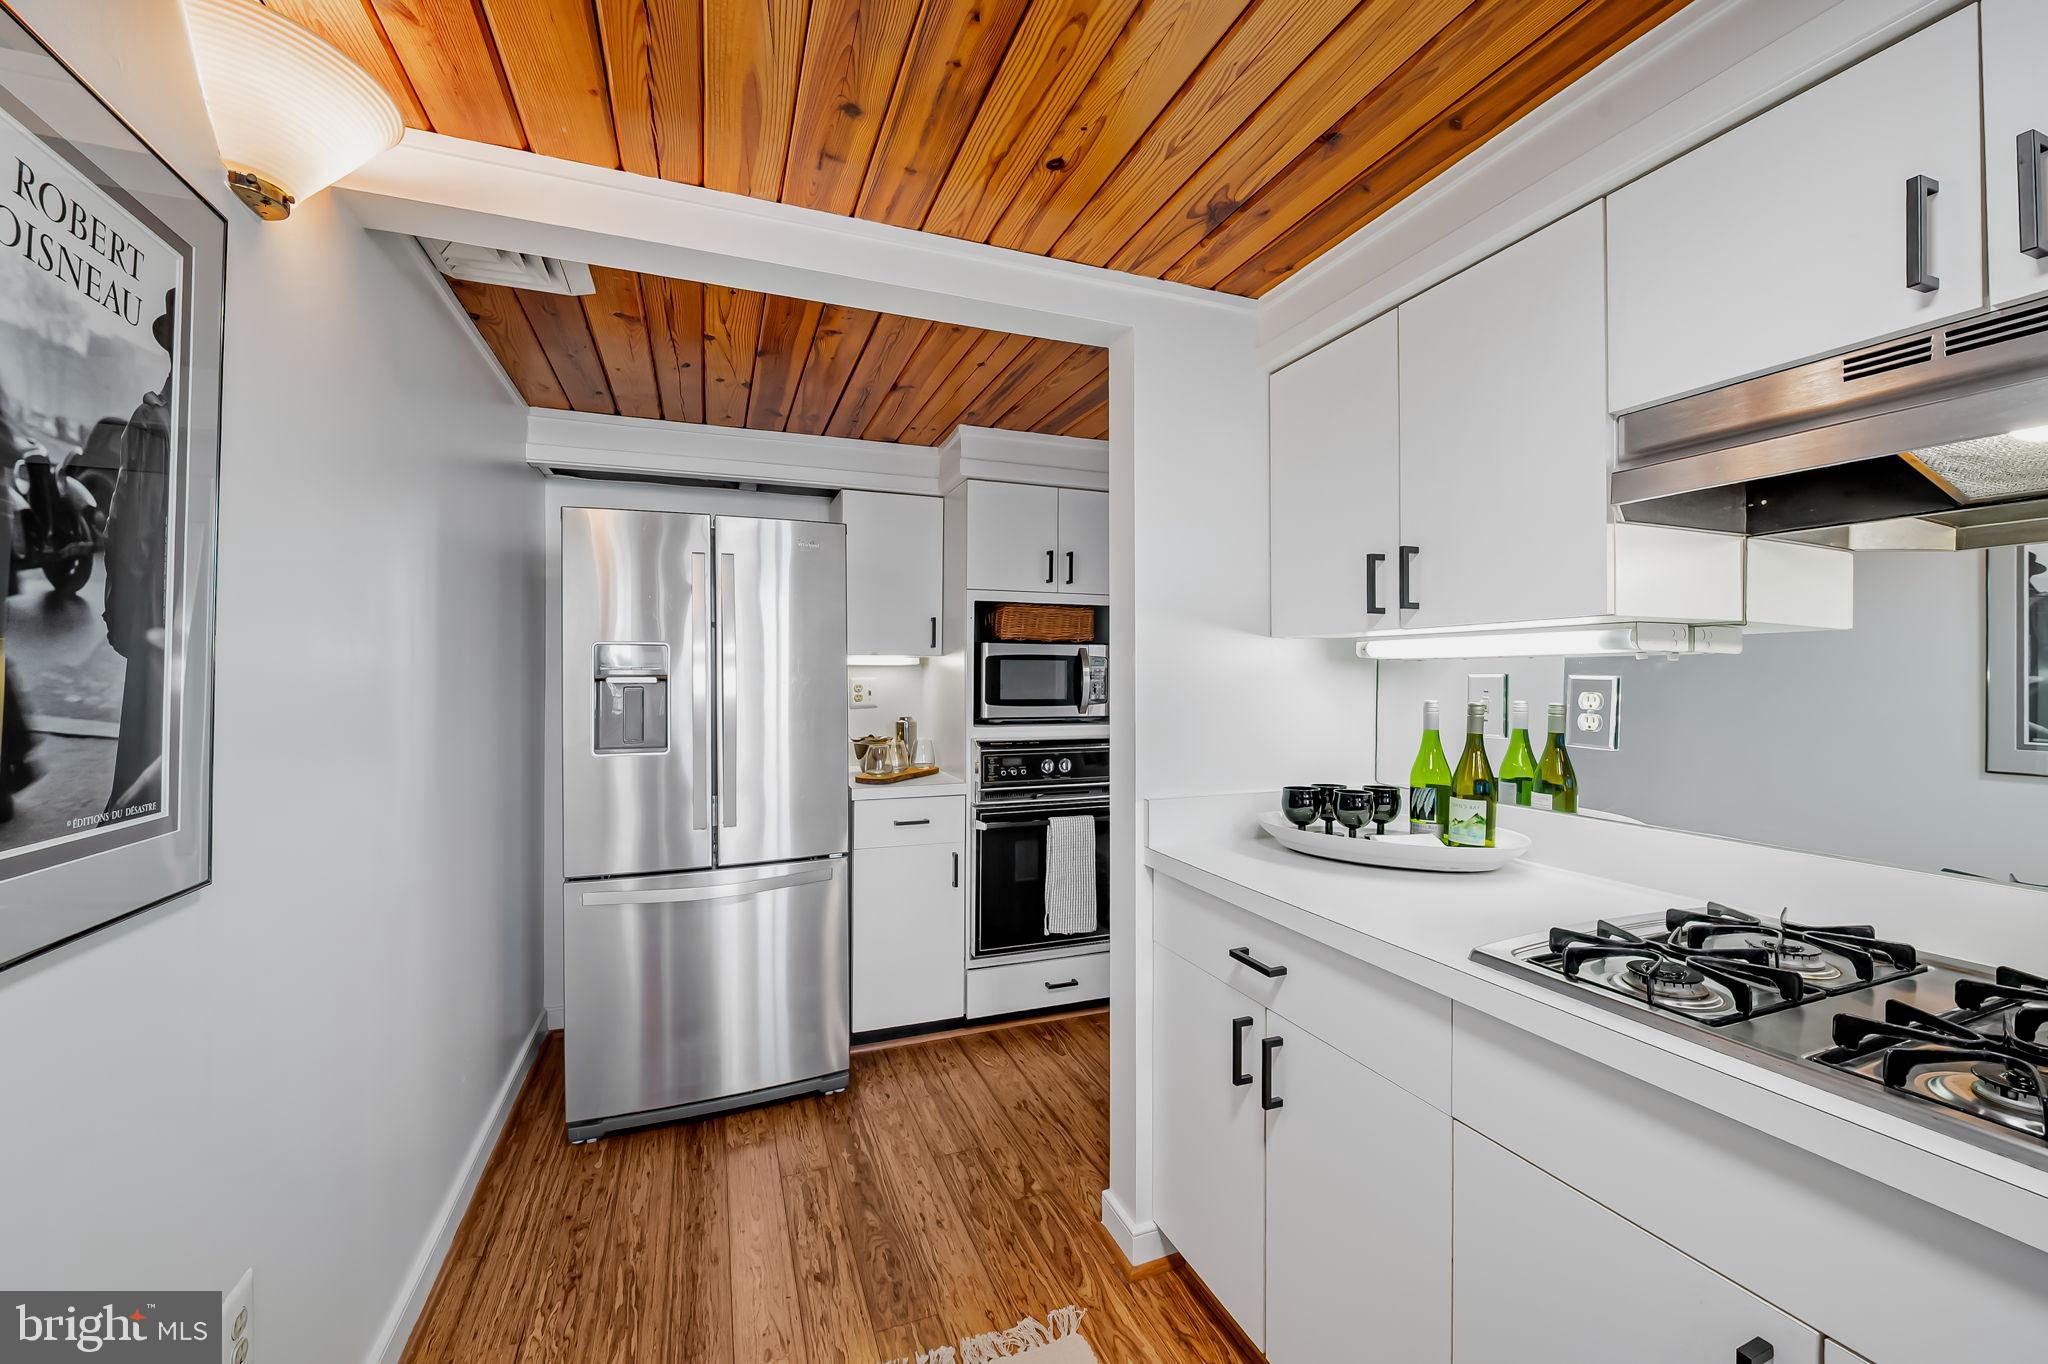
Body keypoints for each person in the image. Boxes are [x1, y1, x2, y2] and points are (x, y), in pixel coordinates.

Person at [101, 290, 173, 816]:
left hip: (159, 611)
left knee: (148, 772)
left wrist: (121, 614)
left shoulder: (153, 422)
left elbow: (130, 532)